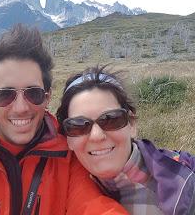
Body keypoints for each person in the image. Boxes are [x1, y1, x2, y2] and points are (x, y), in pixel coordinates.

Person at [0, 26, 128, 215]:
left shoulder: (69, 158)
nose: (21, 108)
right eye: (6, 95)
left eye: (33, 93)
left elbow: (94, 206)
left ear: (47, 97)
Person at [56, 65, 195, 215]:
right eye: (79, 126)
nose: (97, 136)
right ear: (68, 138)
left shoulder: (185, 188)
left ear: (132, 124)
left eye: (111, 119)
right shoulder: (61, 184)